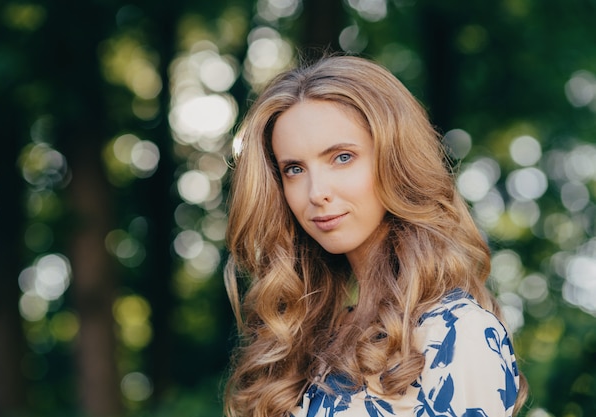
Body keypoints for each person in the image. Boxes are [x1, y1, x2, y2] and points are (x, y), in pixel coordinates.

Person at [223, 55, 527, 417]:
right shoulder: (308, 339)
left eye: (342, 157)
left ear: (395, 160)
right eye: (294, 168)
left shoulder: (456, 333)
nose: (316, 191)